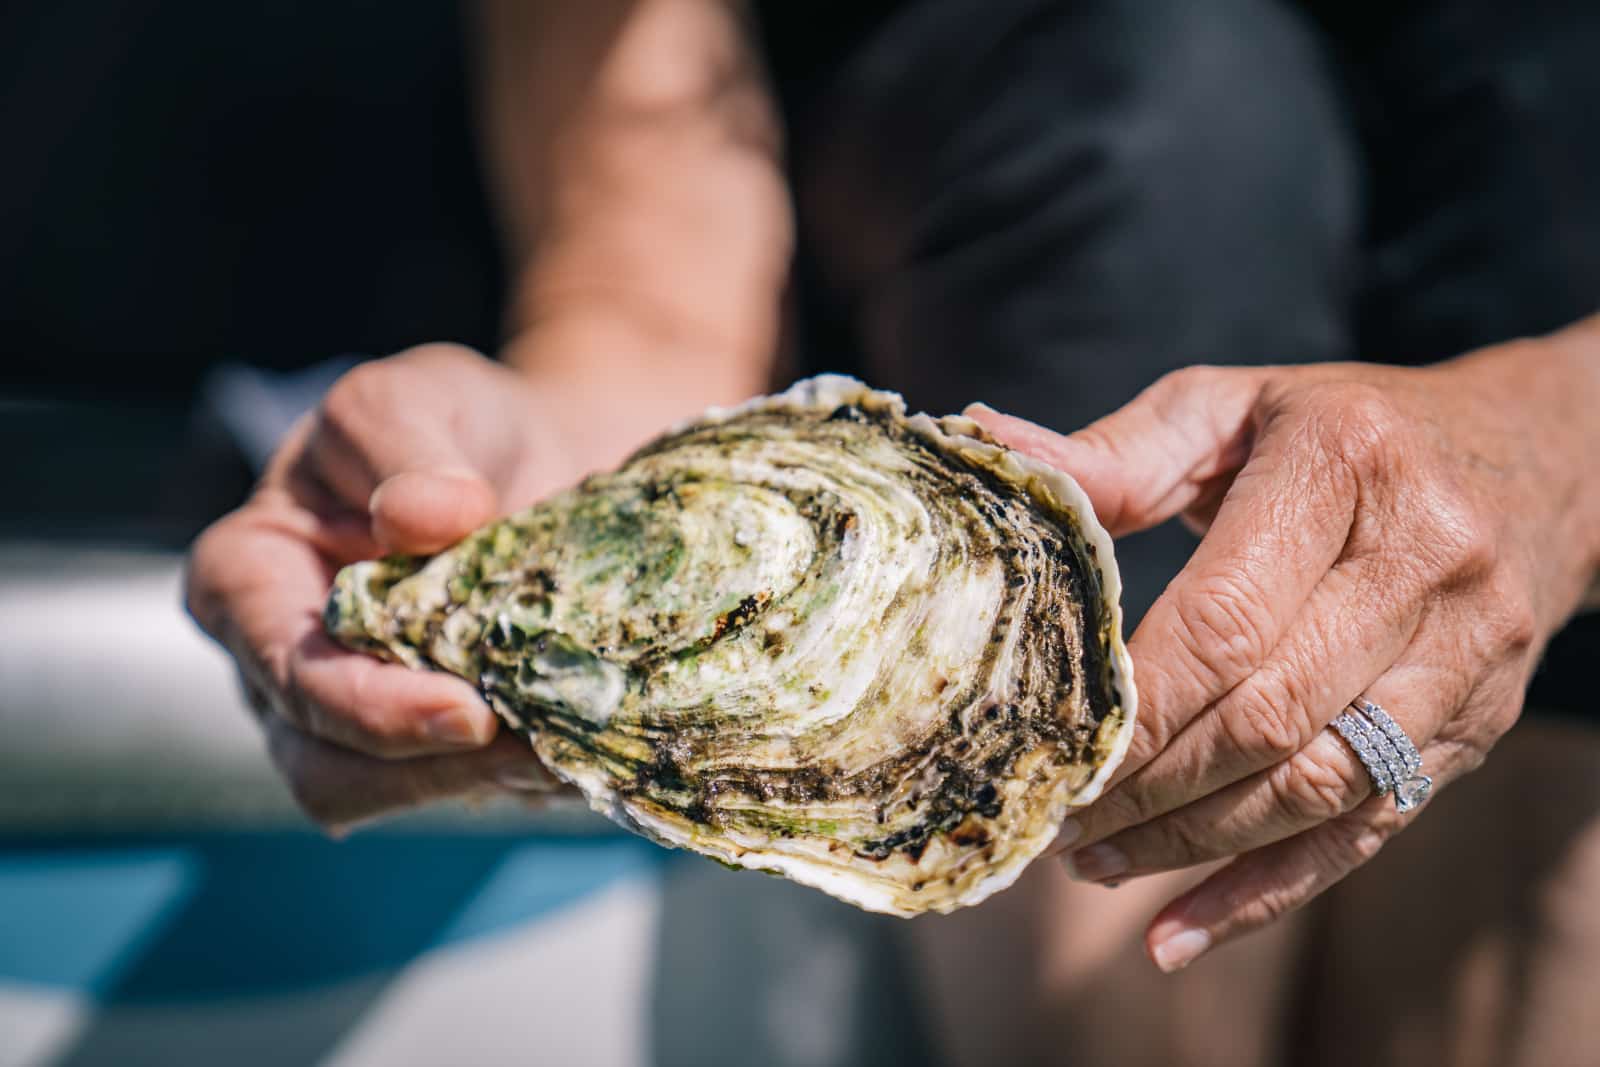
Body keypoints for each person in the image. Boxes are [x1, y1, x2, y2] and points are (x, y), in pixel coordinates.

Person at [187, 1, 1600, 1062]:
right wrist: (588, 469)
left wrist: (1556, 448)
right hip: (1015, 160)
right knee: (1160, 127)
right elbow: (650, 223)